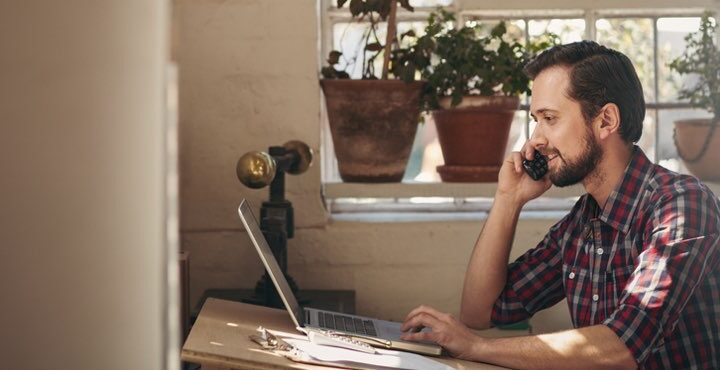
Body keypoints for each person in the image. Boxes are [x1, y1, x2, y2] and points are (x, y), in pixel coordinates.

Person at [400, 41, 720, 369]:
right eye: (536, 120)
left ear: (606, 120)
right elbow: (480, 311)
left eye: (550, 119)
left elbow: (623, 345)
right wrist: (508, 200)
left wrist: (477, 348)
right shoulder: (581, 223)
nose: (536, 139)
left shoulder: (682, 205)